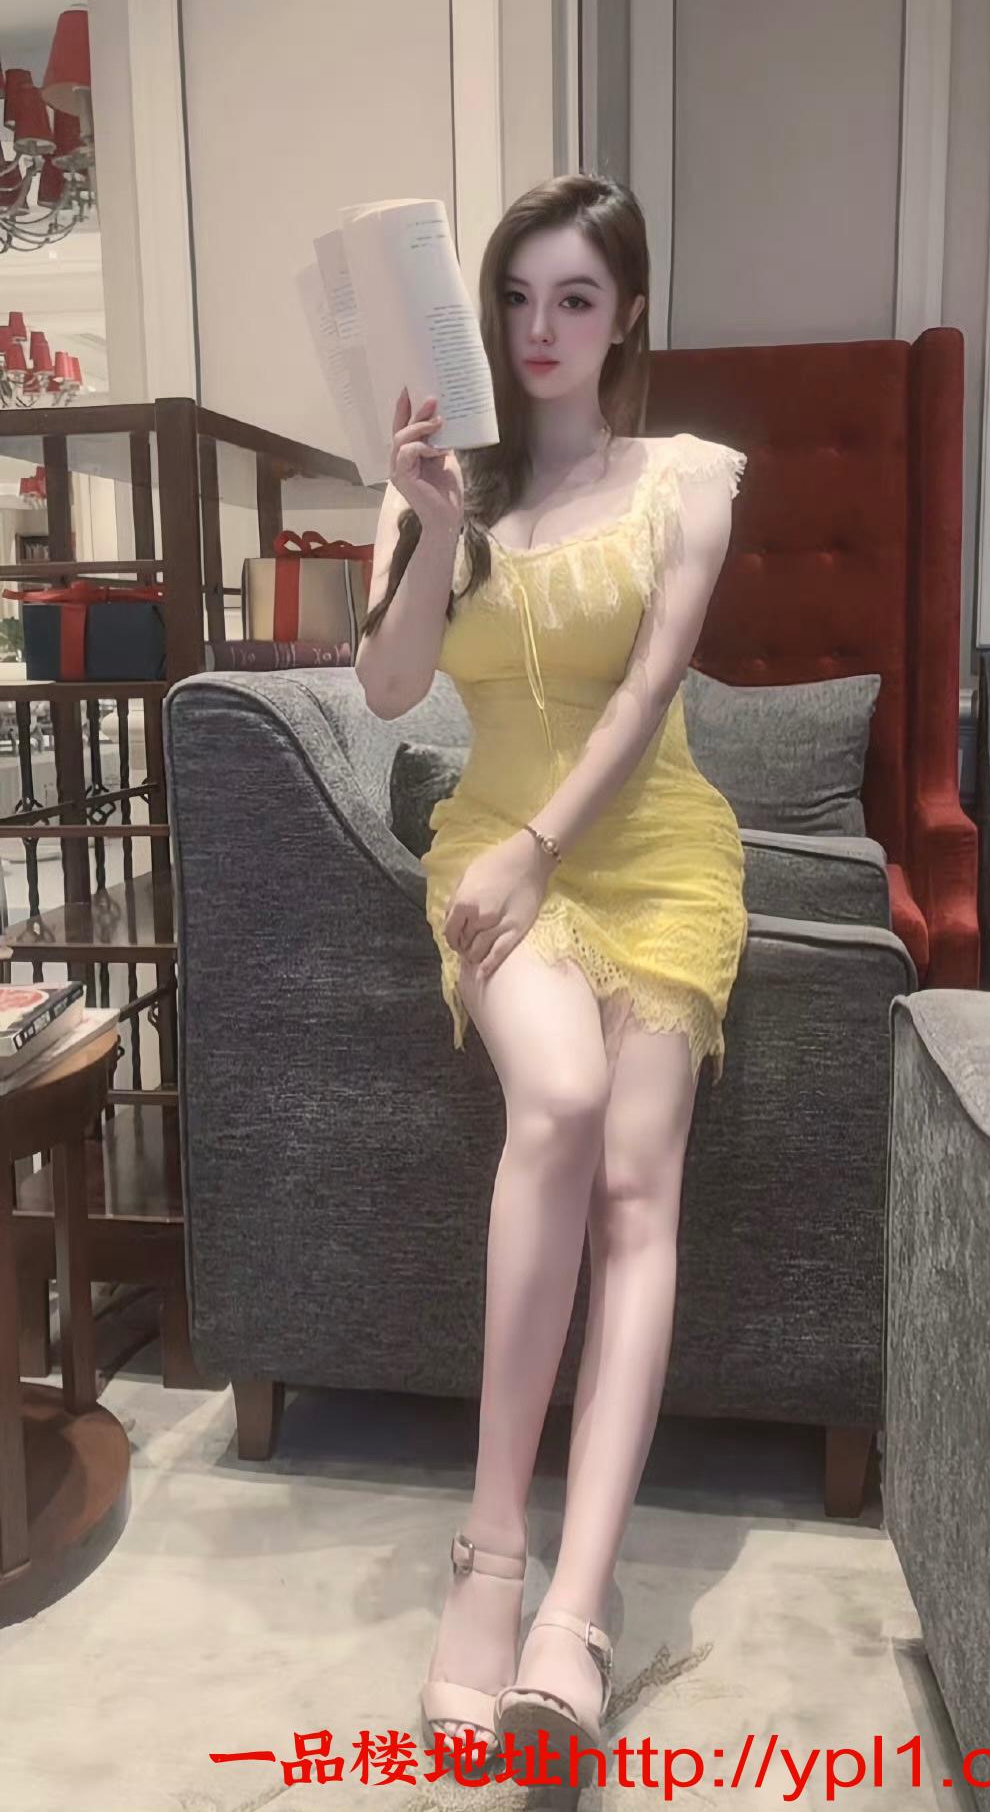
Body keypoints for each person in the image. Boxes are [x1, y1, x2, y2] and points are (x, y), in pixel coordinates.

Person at [354, 172, 748, 1784]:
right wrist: (435, 523)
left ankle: (573, 1612)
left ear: (627, 312)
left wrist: (542, 851)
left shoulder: (689, 479)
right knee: (563, 1099)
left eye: (575, 298)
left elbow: (648, 697)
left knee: (638, 1190)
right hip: (490, 846)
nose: (540, 329)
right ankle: (492, 1553)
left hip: (652, 852)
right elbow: (389, 690)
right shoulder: (432, 485)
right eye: (516, 296)